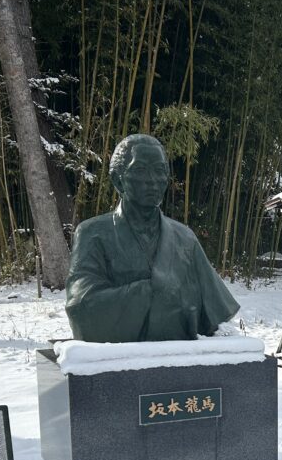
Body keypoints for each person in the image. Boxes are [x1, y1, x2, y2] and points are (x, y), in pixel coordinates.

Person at [65, 134, 239, 342]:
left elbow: (216, 314)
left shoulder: (185, 238)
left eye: (159, 171)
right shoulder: (93, 233)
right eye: (140, 170)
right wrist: (150, 292)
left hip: (180, 357)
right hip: (122, 359)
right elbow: (82, 310)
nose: (152, 181)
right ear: (118, 180)